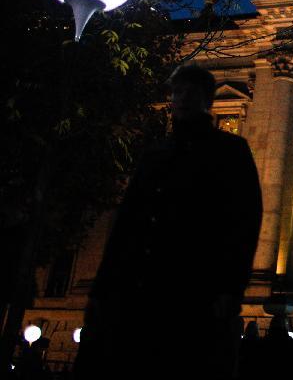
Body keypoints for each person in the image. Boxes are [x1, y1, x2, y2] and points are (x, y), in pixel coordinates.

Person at [75, 65, 263, 379]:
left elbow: (244, 221)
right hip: (141, 290)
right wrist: (101, 289)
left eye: (192, 92)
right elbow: (125, 225)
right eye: (178, 91)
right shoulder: (154, 153)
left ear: (208, 100)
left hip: (194, 292)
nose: (183, 98)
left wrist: (231, 289)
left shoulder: (231, 150)